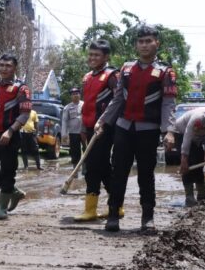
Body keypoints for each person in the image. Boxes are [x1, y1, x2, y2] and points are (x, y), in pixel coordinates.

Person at [96, 24, 177, 232]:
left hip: (148, 130)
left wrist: (169, 131)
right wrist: (103, 121)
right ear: (136, 45)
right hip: (123, 128)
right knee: (118, 172)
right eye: (141, 42)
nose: (144, 45)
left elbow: (169, 102)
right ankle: (113, 214)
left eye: (148, 41)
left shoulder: (165, 72)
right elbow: (116, 100)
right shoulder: (126, 69)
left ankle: (147, 218)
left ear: (156, 43)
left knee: (145, 174)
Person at [74, 39, 120, 222]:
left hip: (105, 127)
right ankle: (117, 204)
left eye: (97, 55)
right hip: (89, 127)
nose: (92, 58)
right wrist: (84, 127)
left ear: (106, 57)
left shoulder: (112, 76)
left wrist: (104, 123)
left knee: (93, 167)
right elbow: (88, 105)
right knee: (102, 167)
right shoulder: (87, 77)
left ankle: (91, 209)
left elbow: (118, 102)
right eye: (91, 54)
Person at [0, 53, 30, 220]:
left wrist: (10, 131)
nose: (4, 69)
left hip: (10, 136)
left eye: (8, 66)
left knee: (7, 171)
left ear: (15, 68)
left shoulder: (21, 88)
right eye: (2, 65)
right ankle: (14, 191)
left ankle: (2, 209)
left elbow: (25, 114)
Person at [61, 87, 83, 168]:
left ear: (80, 95)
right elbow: (64, 121)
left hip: (84, 131)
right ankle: (75, 168)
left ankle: (85, 167)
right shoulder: (67, 107)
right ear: (71, 96)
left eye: (77, 93)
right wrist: (64, 134)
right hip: (73, 133)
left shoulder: (84, 105)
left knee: (86, 149)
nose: (75, 96)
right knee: (75, 151)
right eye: (73, 94)